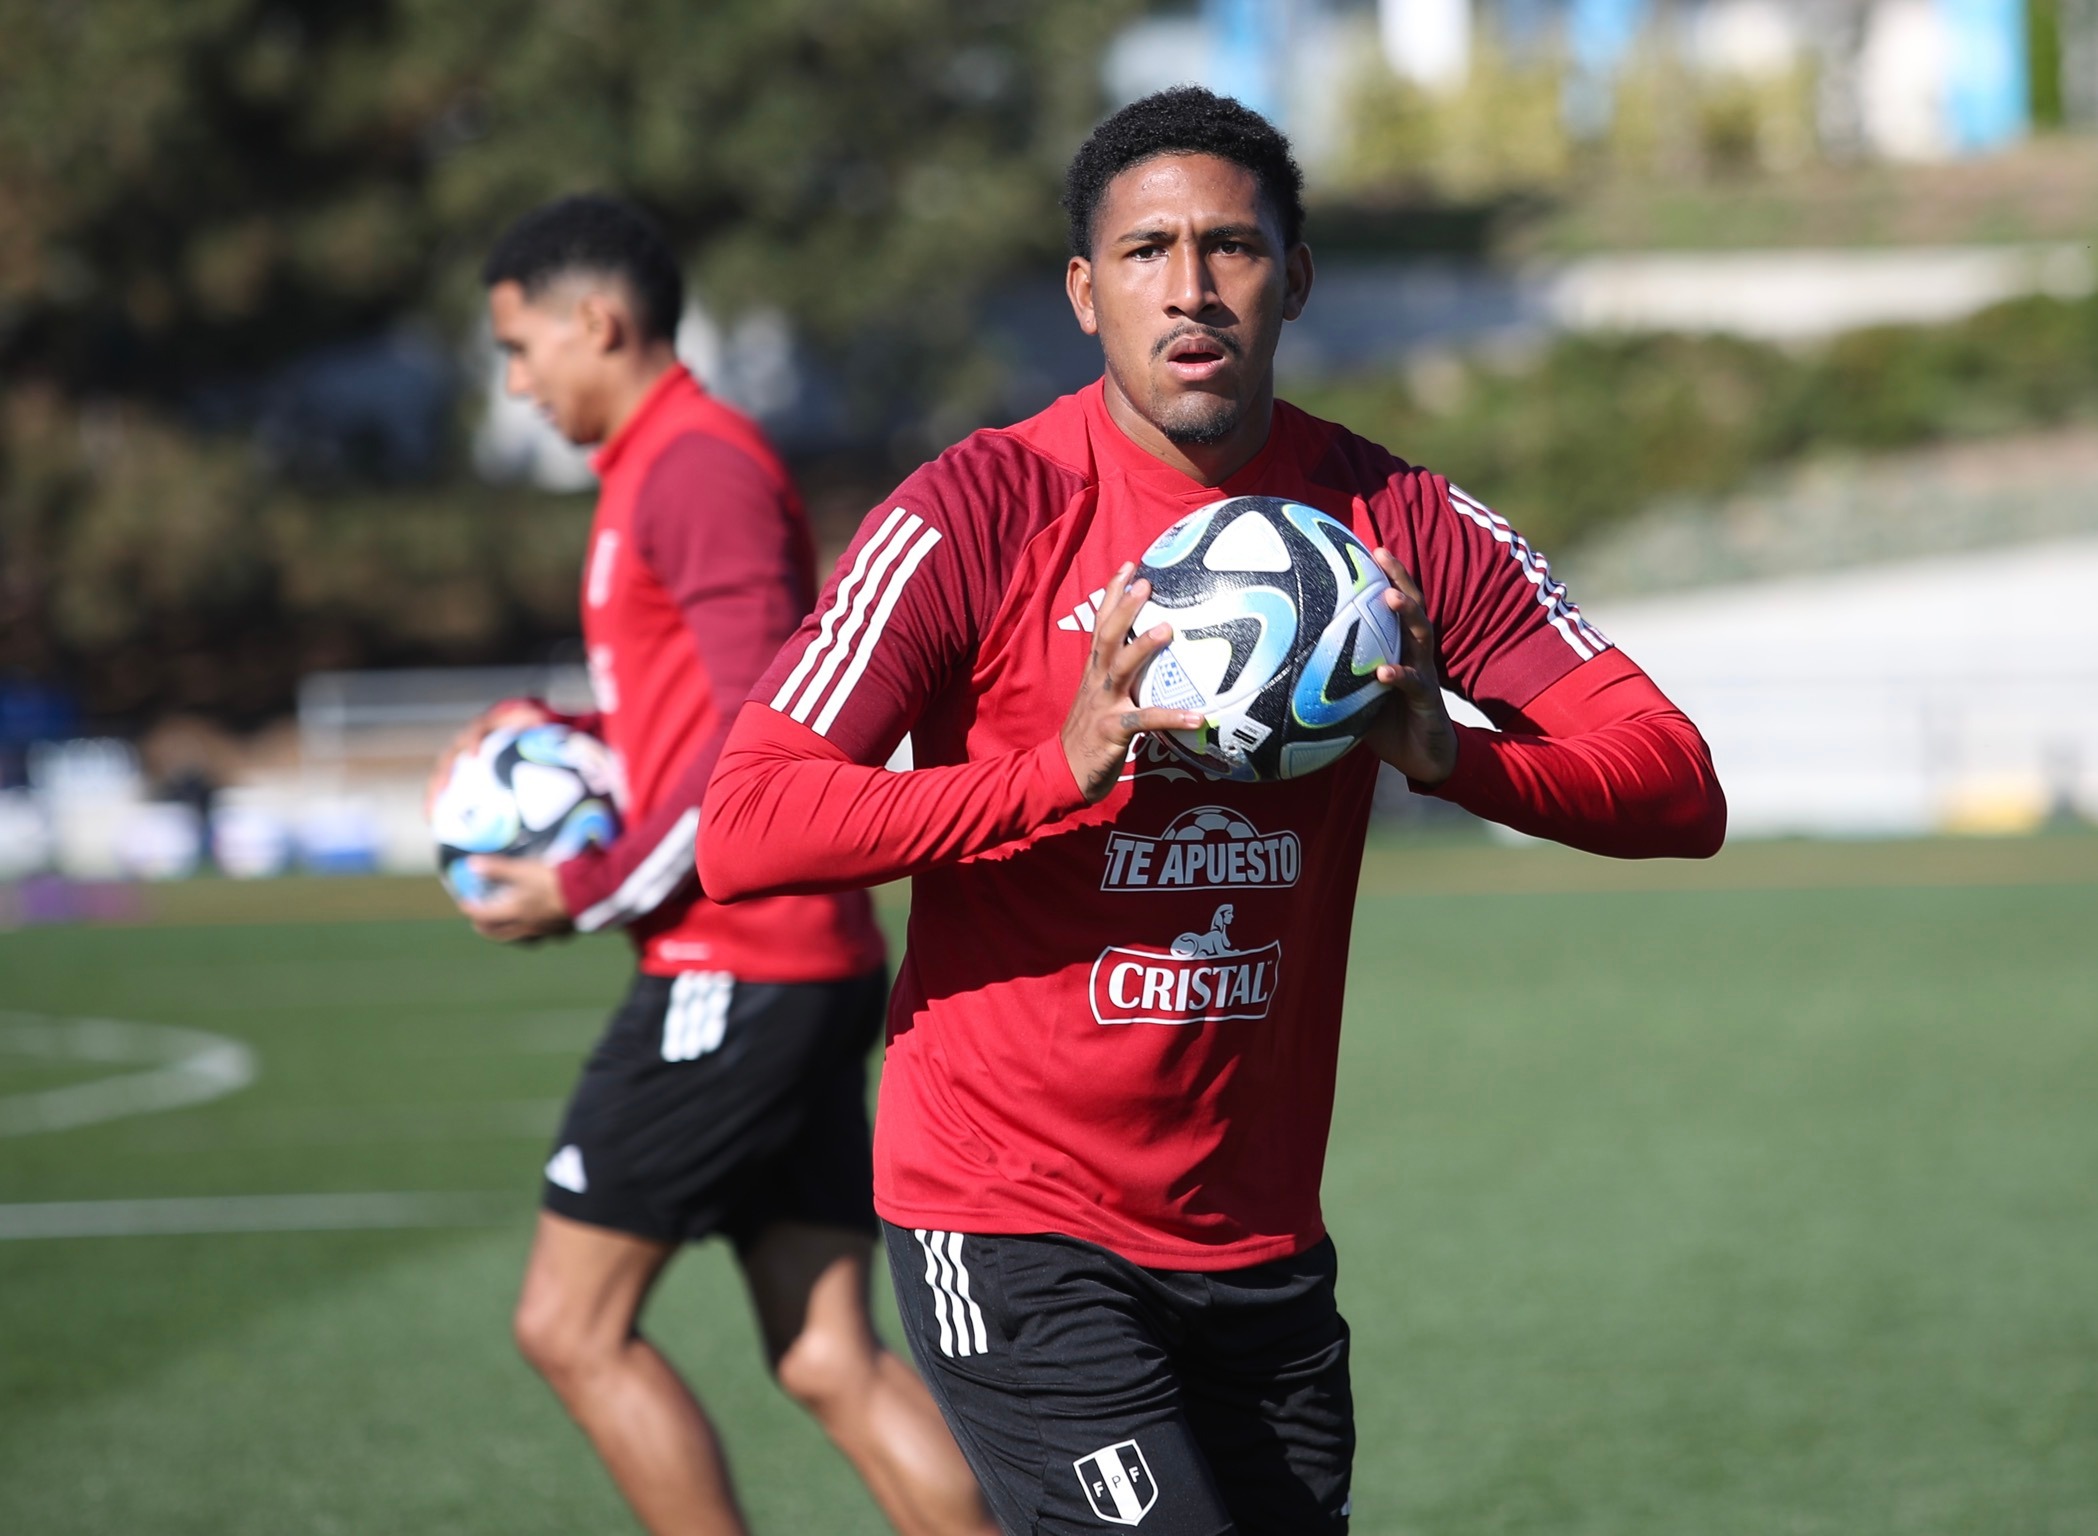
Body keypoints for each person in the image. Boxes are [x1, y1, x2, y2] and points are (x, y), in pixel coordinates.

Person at [697, 90, 1727, 1535]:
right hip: (1008, 1214)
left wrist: (1448, 758)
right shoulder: (976, 508)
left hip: (1256, 1240)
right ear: (1083, 291)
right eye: (1143, 252)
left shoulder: (1394, 524)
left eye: (1231, 247)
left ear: (1294, 277)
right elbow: (747, 824)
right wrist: (1055, 771)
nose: (1188, 289)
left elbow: (1677, 786)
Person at [435, 194, 991, 1536]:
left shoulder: (695, 466)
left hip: (734, 966)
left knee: (567, 1327)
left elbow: (761, 736)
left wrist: (582, 888)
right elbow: (695, 712)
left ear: (597, 322)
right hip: (785, 964)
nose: (516, 384)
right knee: (825, 1355)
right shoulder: (654, 468)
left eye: (519, 351)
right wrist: (559, 731)